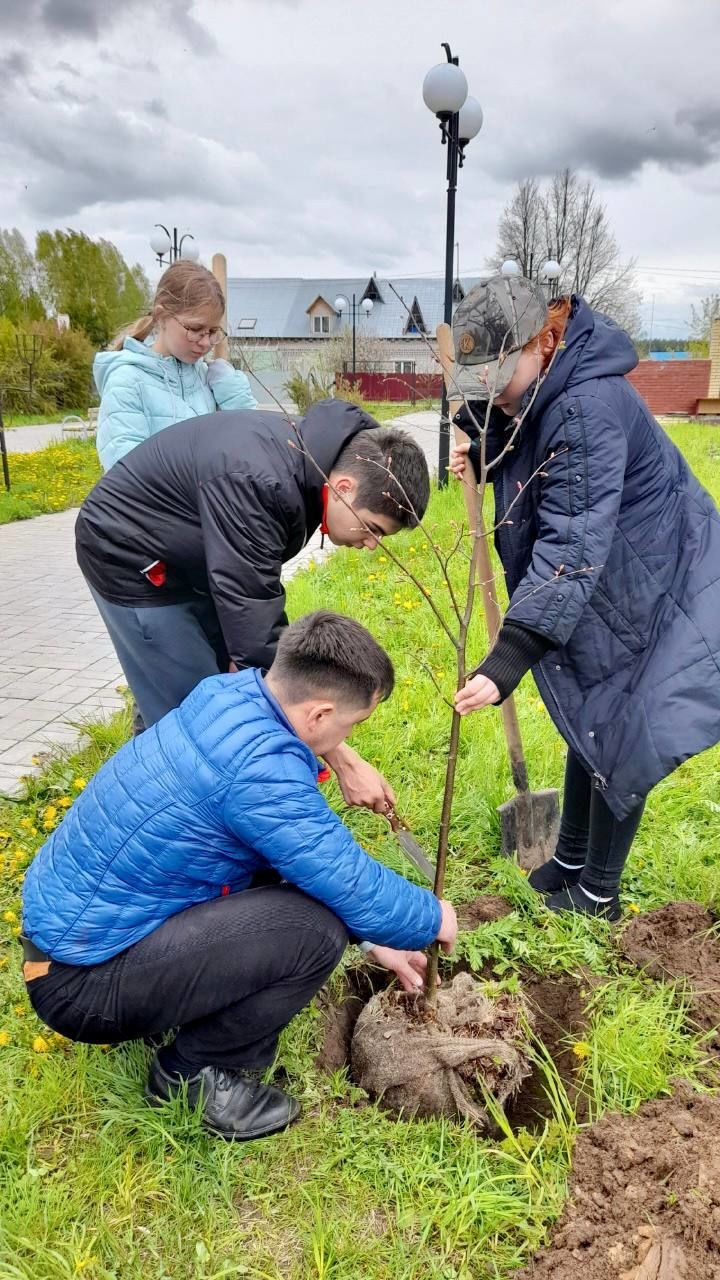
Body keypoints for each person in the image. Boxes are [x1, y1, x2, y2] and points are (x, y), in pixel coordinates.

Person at [20, 612, 457, 1140]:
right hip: (81, 985)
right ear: (319, 713)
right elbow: (349, 880)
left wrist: (374, 944)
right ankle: (191, 1074)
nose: (348, 739)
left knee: (300, 897)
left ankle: (173, 1011)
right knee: (314, 932)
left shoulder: (228, 697)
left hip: (73, 941)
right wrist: (433, 917)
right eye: (352, 726)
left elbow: (295, 860)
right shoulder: (259, 772)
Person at [449, 274, 720, 921]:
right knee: (590, 719)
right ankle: (570, 861)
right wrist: (485, 448)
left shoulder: (586, 404)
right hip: (611, 571)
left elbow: (571, 532)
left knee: (622, 726)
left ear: (544, 341)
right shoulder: (545, 388)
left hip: (653, 579)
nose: (489, 389)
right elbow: (534, 460)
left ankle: (598, 892)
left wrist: (510, 654)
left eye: (497, 374)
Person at [75, 402, 430, 812]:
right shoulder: (262, 480)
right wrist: (342, 757)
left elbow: (249, 607)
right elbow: (257, 635)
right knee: (194, 718)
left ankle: (150, 792)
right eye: (371, 529)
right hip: (132, 560)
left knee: (212, 695)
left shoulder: (309, 462)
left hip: (194, 561)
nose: (371, 544)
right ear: (345, 487)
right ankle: (159, 821)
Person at [94, 260, 256, 473]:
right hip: (157, 506)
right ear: (162, 316)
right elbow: (127, 474)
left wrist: (233, 393)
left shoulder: (206, 379)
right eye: (196, 329)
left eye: (212, 331)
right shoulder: (127, 382)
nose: (206, 342)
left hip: (206, 504)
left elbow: (249, 447)